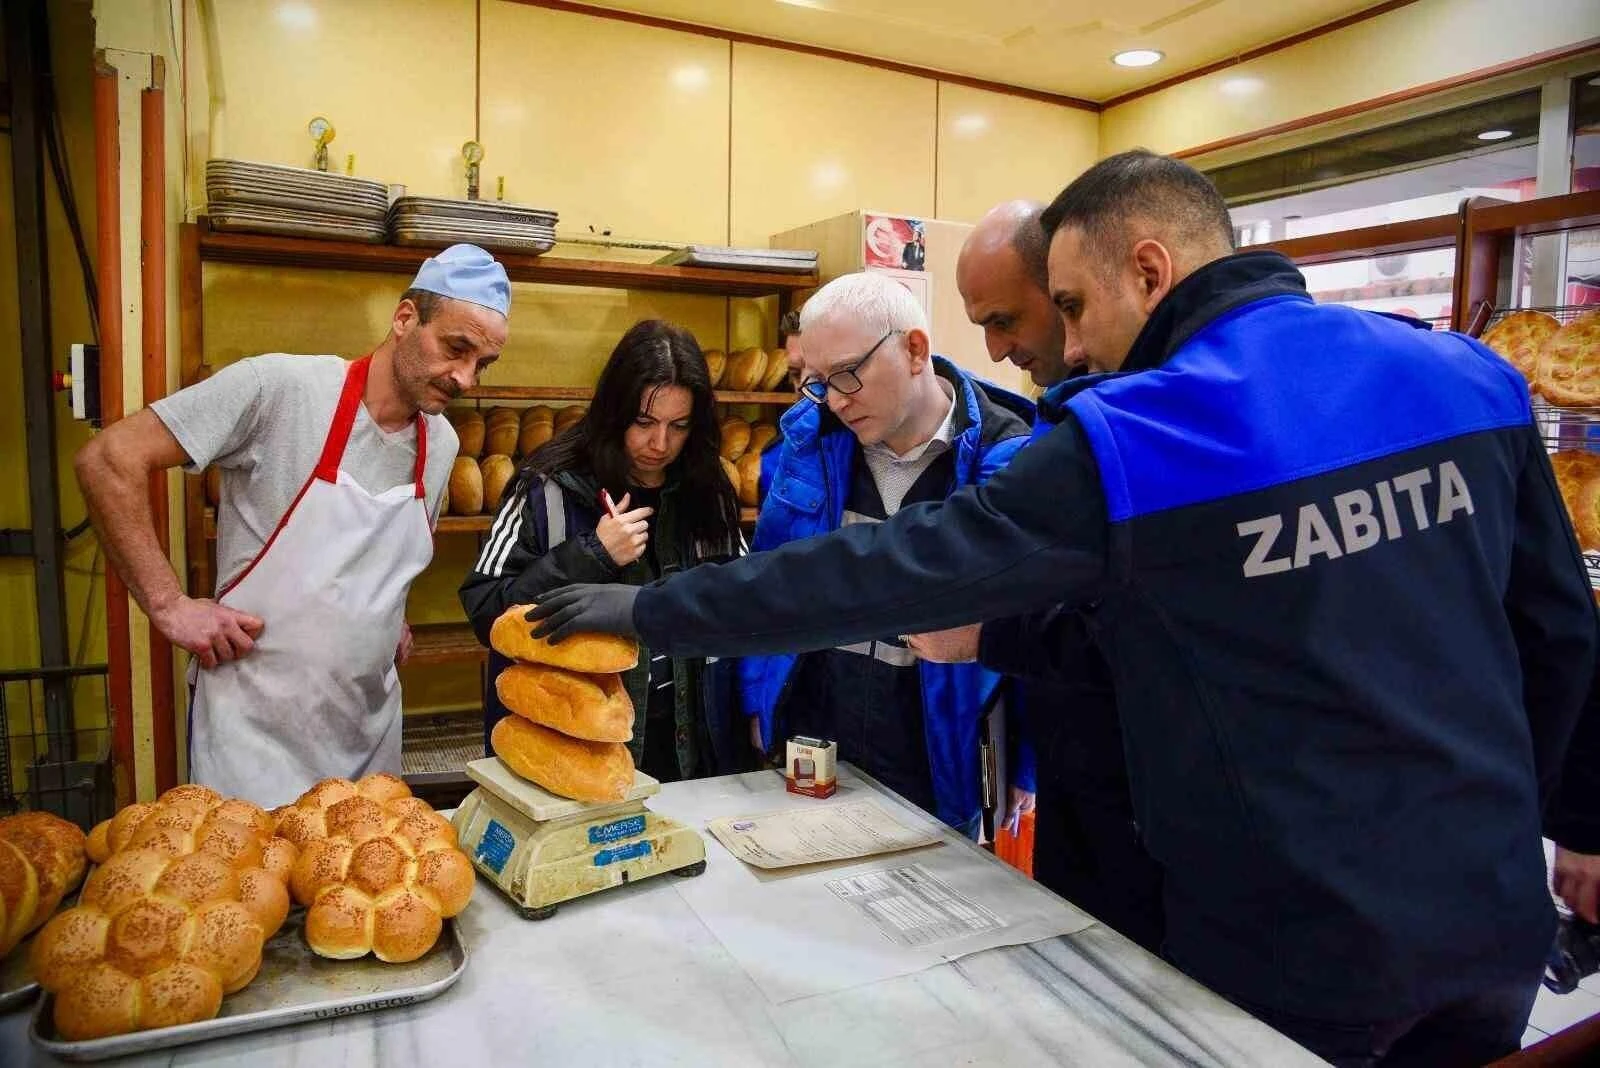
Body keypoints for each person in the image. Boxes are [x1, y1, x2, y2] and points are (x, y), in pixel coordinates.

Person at [524, 151, 1600, 1067]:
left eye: (1075, 307)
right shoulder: (1467, 375)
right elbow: (1557, 637)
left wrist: (643, 608)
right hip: (1491, 920)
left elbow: (877, 572)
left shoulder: (1146, 433)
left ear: (1150, 268)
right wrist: (1572, 824)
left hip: (1297, 941)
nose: (1069, 348)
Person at [75, 244, 510, 807]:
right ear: (404, 319)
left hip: (368, 736)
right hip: (255, 739)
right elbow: (109, 459)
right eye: (456, 348)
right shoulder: (280, 390)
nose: (466, 379)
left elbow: (385, 563)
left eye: (483, 364)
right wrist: (168, 604)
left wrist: (384, 619)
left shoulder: (441, 443)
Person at [938, 200, 1164, 954]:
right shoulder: (1059, 417)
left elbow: (1144, 633)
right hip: (1080, 782)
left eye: (1009, 320)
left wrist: (987, 633)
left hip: (1156, 805)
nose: (998, 350)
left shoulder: (1152, 429)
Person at [737, 271, 1036, 839]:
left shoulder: (1010, 457)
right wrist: (759, 696)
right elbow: (766, 579)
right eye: (819, 382)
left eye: (849, 375)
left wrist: (1026, 762)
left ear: (915, 349)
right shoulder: (805, 446)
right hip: (816, 729)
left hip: (936, 746)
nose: (837, 401)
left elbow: (1036, 617)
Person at [459, 319, 745, 782]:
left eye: (679, 426)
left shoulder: (708, 491)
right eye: (644, 422)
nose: (659, 444)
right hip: (572, 746)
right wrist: (590, 555)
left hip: (690, 746)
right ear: (614, 412)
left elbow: (741, 602)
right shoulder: (546, 487)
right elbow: (486, 610)